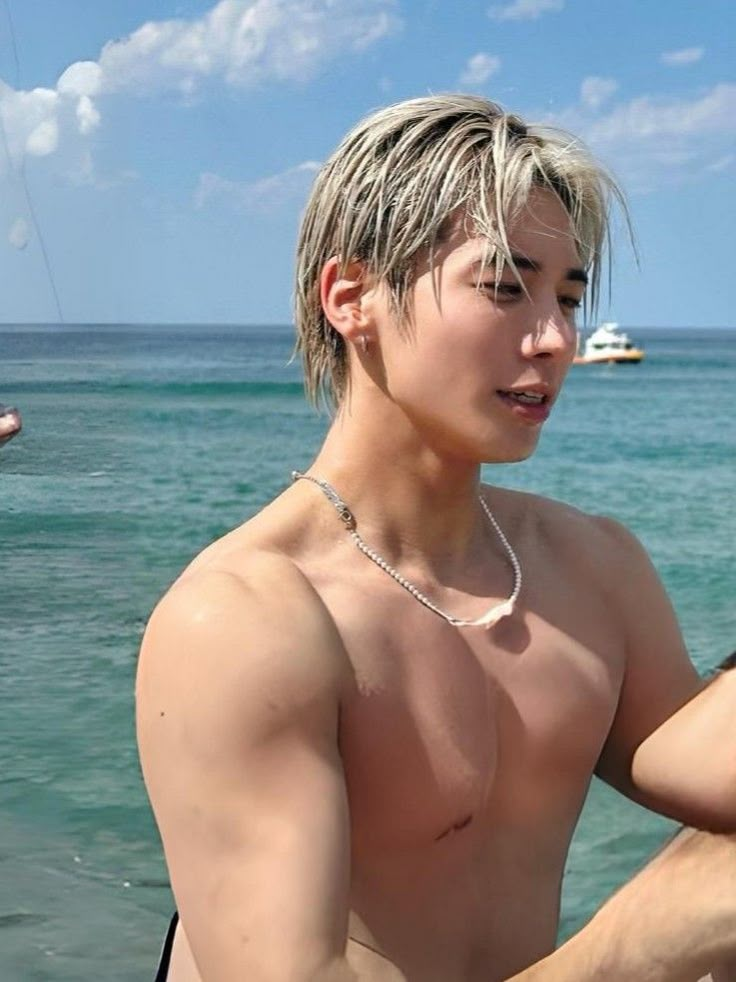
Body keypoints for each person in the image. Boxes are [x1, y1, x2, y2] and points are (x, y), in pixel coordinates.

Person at [136, 95, 736, 981]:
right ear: (351, 298)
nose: (557, 339)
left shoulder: (591, 568)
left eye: (569, 297)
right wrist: (629, 952)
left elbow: (701, 756)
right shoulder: (244, 622)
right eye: (504, 287)